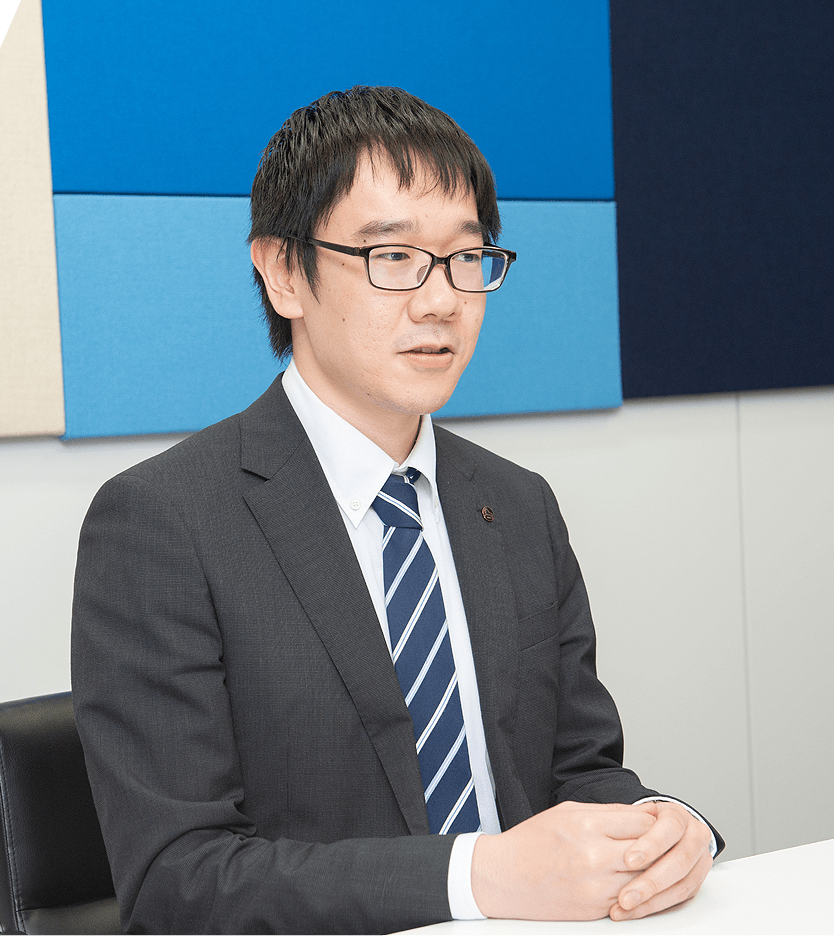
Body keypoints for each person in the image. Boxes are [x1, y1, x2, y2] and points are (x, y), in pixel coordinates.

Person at [71, 86, 721, 935]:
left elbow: (579, 771)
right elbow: (178, 882)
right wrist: (476, 879)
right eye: (393, 256)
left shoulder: (517, 505)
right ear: (282, 272)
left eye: (465, 257)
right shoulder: (163, 522)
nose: (440, 300)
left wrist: (662, 827)